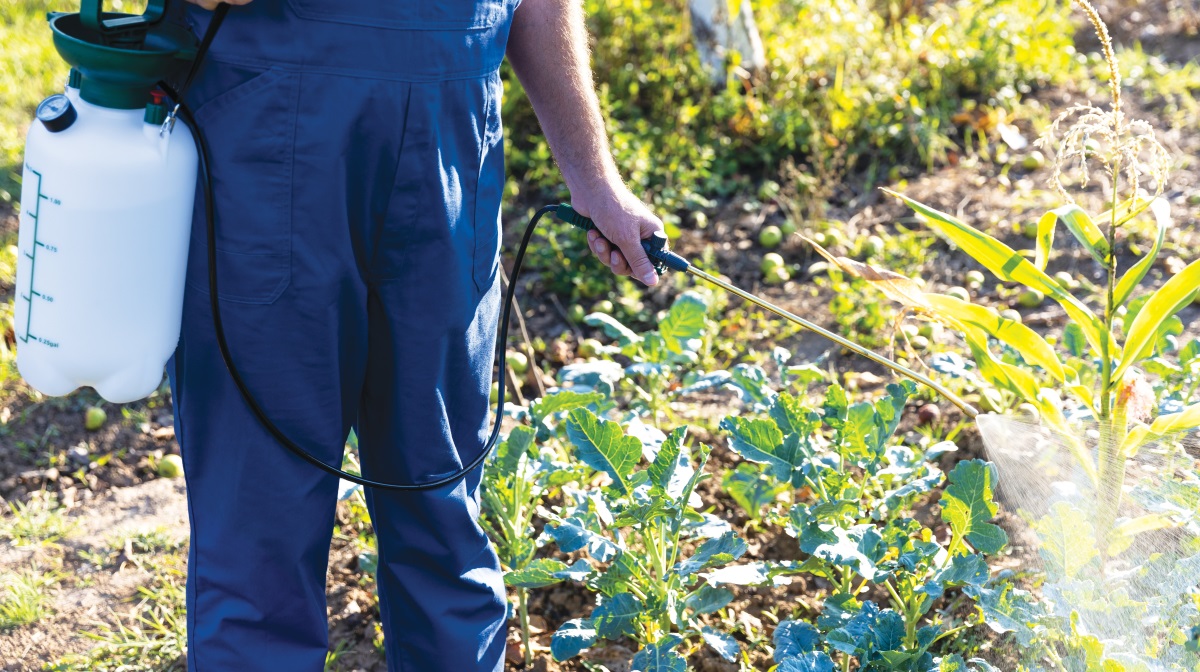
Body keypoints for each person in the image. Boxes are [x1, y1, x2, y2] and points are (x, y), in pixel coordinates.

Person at [170, 0, 663, 669]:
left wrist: (594, 176)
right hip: (266, 128)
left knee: (441, 506)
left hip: (450, 135)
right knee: (261, 517)